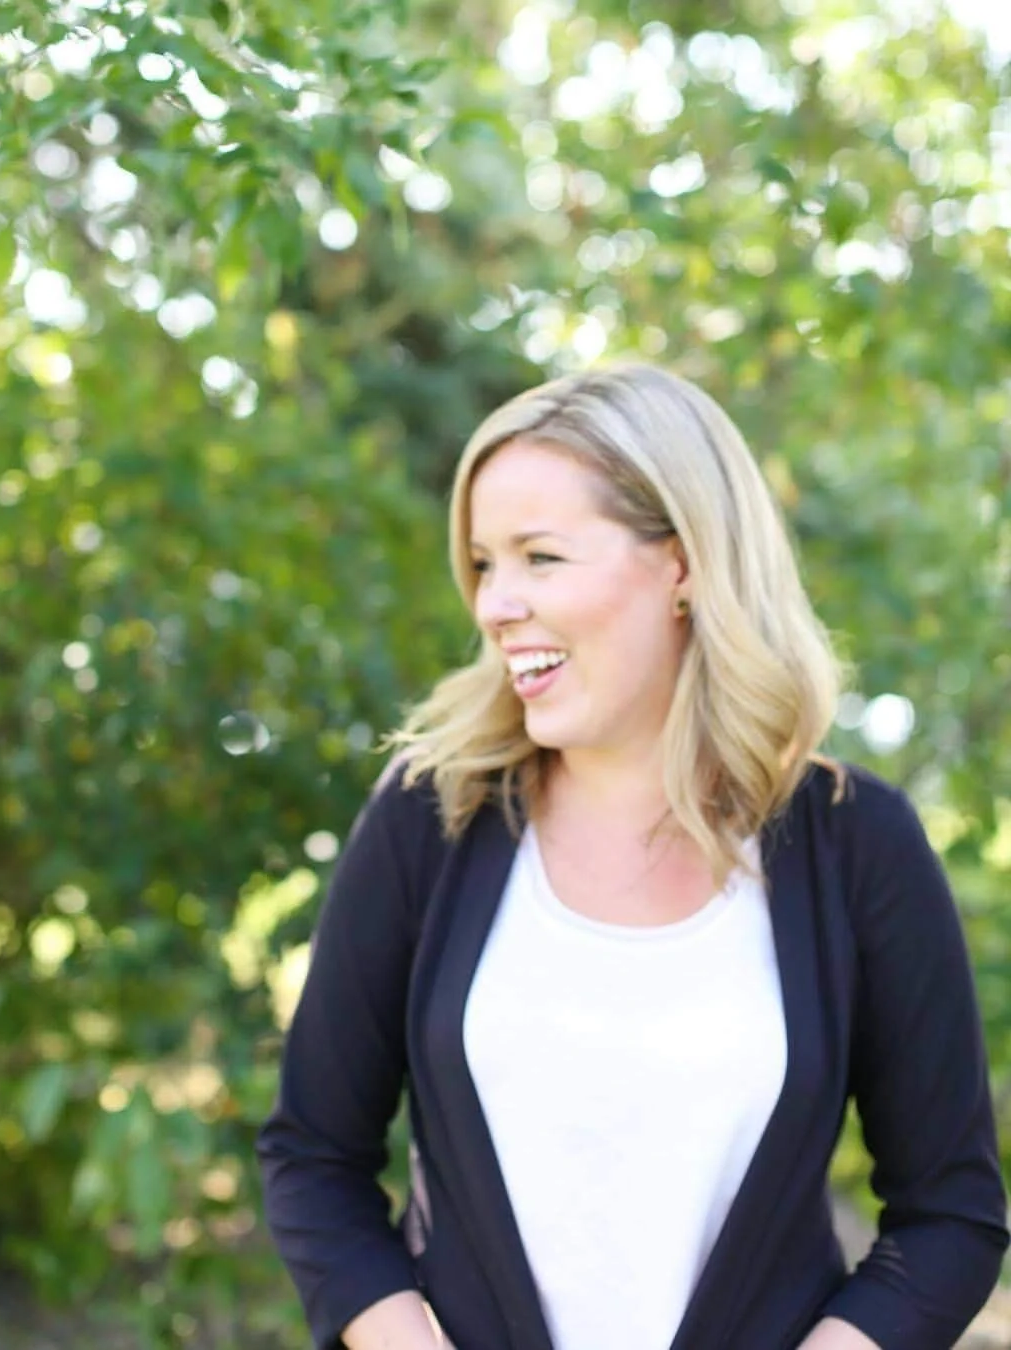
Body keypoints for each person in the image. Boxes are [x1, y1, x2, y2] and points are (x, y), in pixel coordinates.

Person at [256, 362, 1008, 1350]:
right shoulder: (429, 819)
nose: (494, 604)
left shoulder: (856, 842)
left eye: (540, 557)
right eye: (484, 563)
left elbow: (948, 1218)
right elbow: (314, 1155)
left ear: (683, 562)